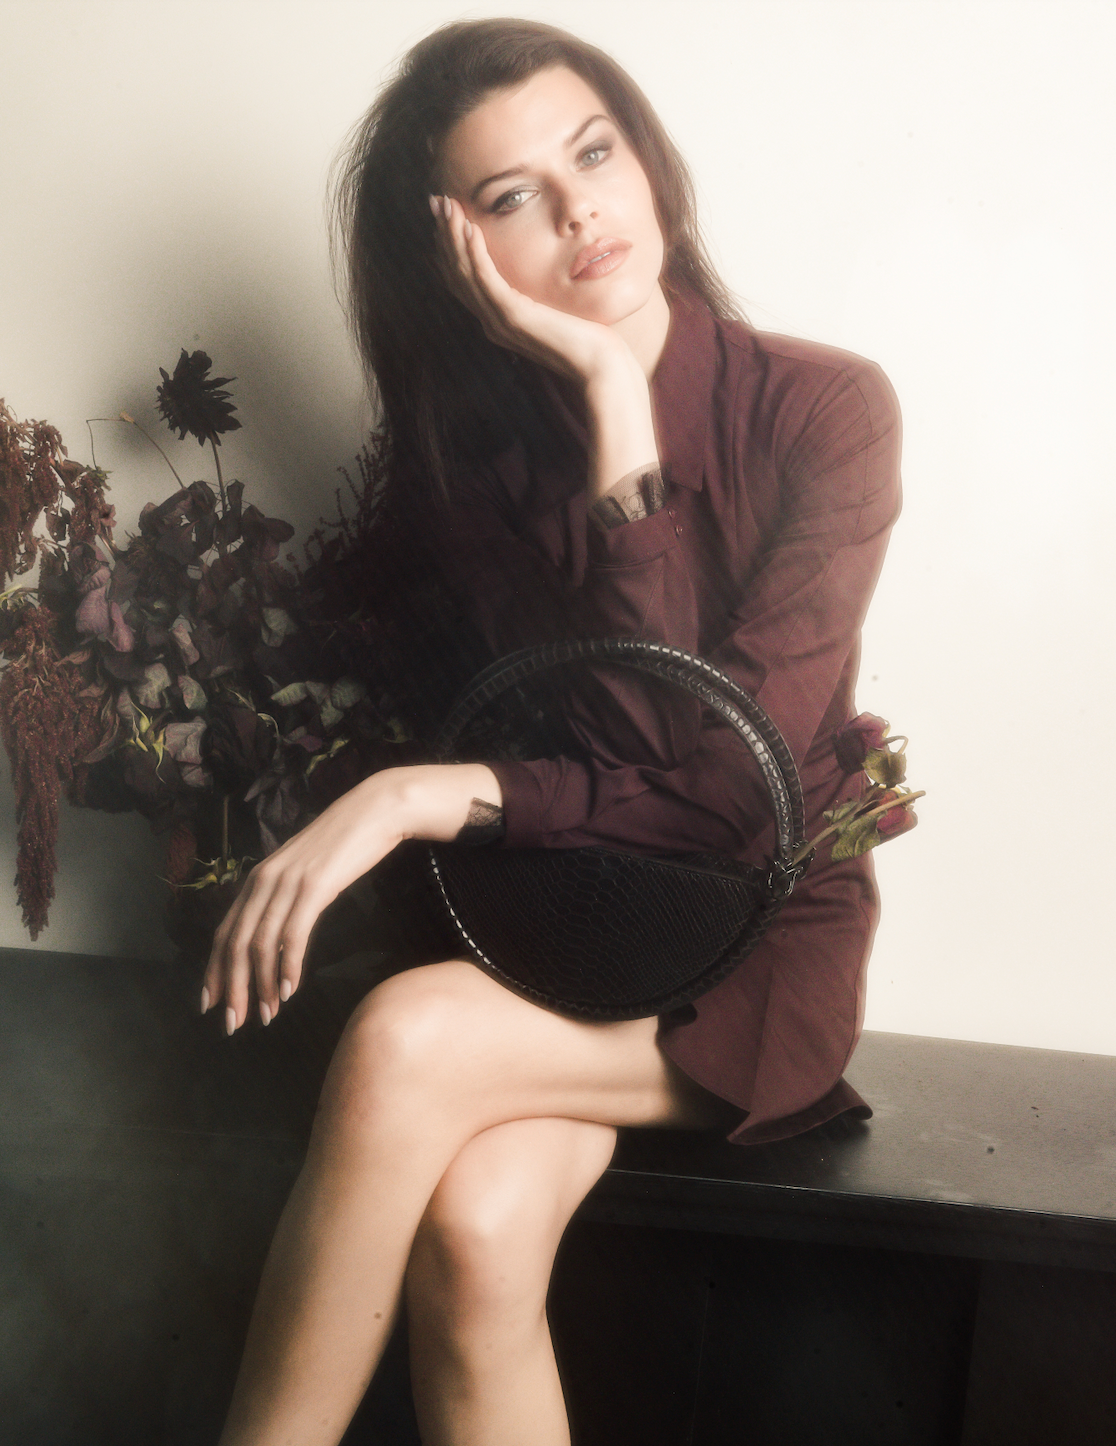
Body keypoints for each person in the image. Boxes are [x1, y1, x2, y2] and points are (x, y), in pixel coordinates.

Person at [201, 18, 902, 1446]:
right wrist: (591, 401)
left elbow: (722, 796)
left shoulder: (827, 409)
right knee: (478, 1232)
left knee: (403, 1040)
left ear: (649, 161)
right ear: (458, 253)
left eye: (595, 152)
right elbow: (626, 759)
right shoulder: (475, 476)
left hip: (758, 948)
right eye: (515, 194)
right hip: (581, 930)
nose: (582, 209)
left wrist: (616, 399)